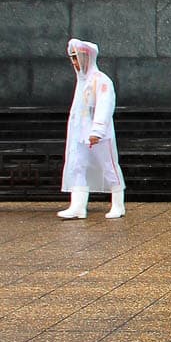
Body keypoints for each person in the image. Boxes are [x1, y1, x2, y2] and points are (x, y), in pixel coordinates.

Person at [58, 38, 125, 220]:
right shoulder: (82, 82)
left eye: (77, 57)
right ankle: (78, 205)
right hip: (80, 135)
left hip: (99, 136)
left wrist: (97, 131)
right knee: (78, 166)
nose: (75, 62)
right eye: (72, 58)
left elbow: (104, 106)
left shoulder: (101, 80)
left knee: (109, 167)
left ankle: (118, 204)